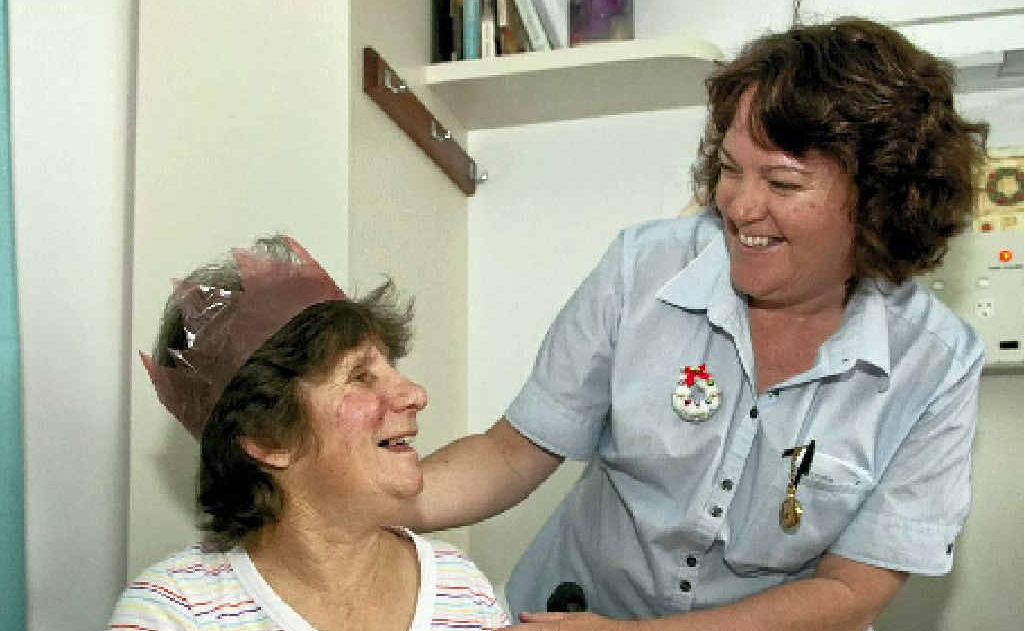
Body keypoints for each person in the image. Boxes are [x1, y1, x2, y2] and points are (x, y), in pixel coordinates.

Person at [403, 17, 989, 631]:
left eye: (782, 182)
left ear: (880, 202)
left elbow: (851, 591)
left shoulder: (936, 365)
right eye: (731, 169)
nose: (739, 205)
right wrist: (374, 502)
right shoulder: (643, 268)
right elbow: (509, 454)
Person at [109, 236, 510, 631]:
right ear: (268, 436)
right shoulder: (173, 614)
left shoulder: (462, 589)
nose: (415, 395)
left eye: (391, 367)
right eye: (360, 376)